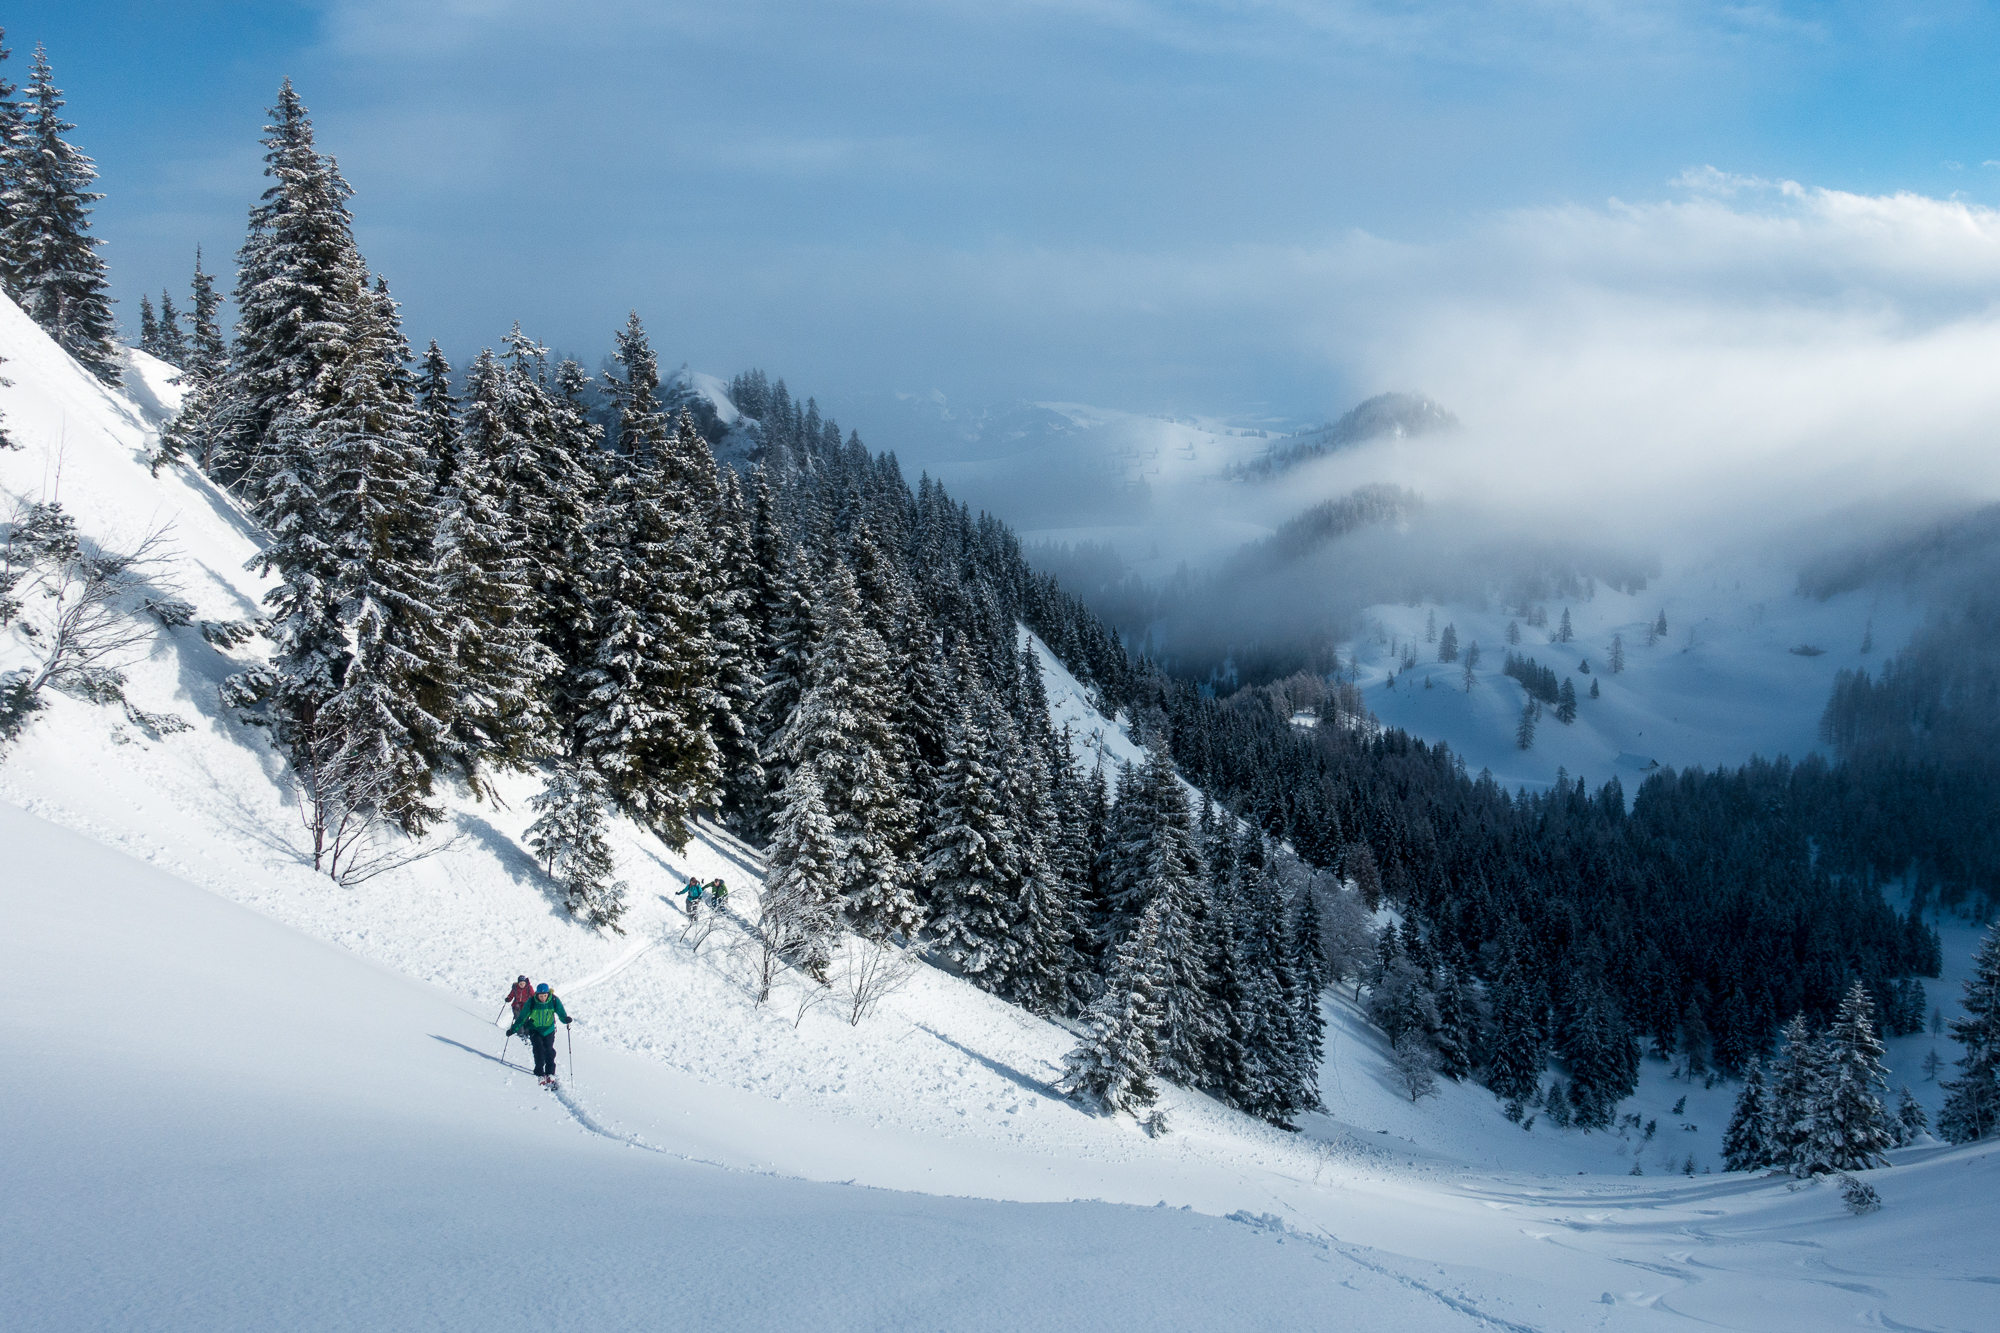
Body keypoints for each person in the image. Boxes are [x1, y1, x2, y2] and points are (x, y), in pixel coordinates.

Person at [508, 982, 571, 1087]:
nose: (543, 998)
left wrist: (565, 1019)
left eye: (545, 996)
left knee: (549, 1050)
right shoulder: (532, 1002)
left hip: (549, 1029)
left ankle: (550, 1073)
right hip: (534, 1029)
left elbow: (561, 1014)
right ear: (537, 994)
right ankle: (539, 1072)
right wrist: (513, 1029)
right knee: (538, 1050)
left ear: (548, 994)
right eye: (541, 996)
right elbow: (522, 1017)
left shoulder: (554, 1001)